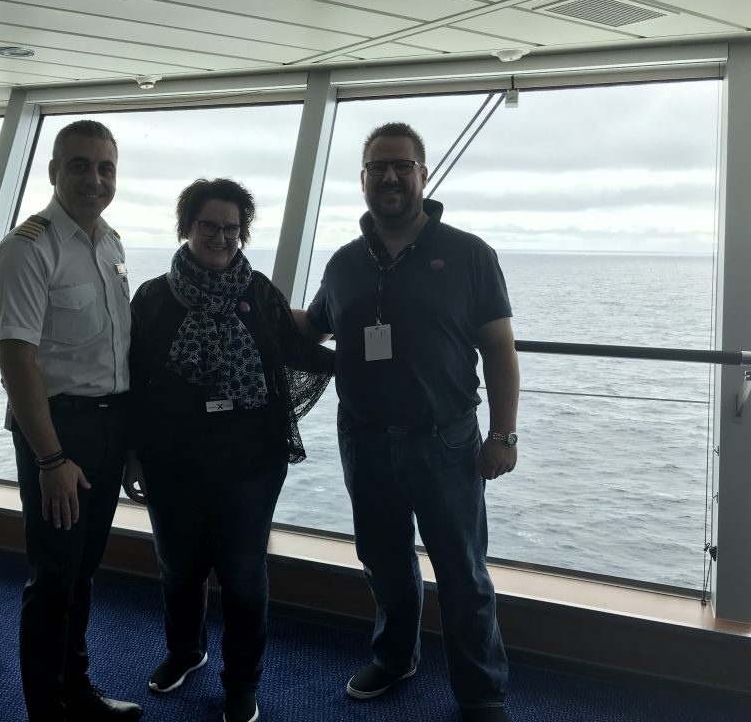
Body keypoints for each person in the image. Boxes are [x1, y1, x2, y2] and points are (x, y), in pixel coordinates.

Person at [294, 122, 520, 722]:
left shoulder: (470, 254)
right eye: (378, 167)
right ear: (363, 179)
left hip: (446, 441)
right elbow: (312, 327)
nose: (390, 177)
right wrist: (241, 294)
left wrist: (502, 434)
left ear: (423, 175)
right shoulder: (344, 263)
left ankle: (481, 691)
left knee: (463, 574)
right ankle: (396, 659)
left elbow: (499, 349)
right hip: (363, 440)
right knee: (384, 562)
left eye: (402, 166)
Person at [123, 178, 333, 722]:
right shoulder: (151, 297)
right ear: (186, 227)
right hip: (173, 462)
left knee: (242, 576)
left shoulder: (258, 291)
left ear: (243, 232)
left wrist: (373, 360)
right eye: (209, 225)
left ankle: (242, 682)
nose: (221, 237)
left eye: (232, 228)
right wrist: (132, 452)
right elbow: (132, 379)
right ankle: (185, 652)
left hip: (250, 463)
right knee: (178, 569)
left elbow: (295, 350)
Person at [0, 120, 142, 722]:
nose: (94, 179)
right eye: (79, 165)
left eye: (105, 167)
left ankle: (75, 689)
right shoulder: (27, 248)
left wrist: (128, 445)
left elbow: (114, 354)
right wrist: (51, 458)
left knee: (85, 570)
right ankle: (45, 711)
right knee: (53, 578)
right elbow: (16, 361)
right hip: (56, 432)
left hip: (107, 427)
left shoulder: (111, 243)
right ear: (54, 172)